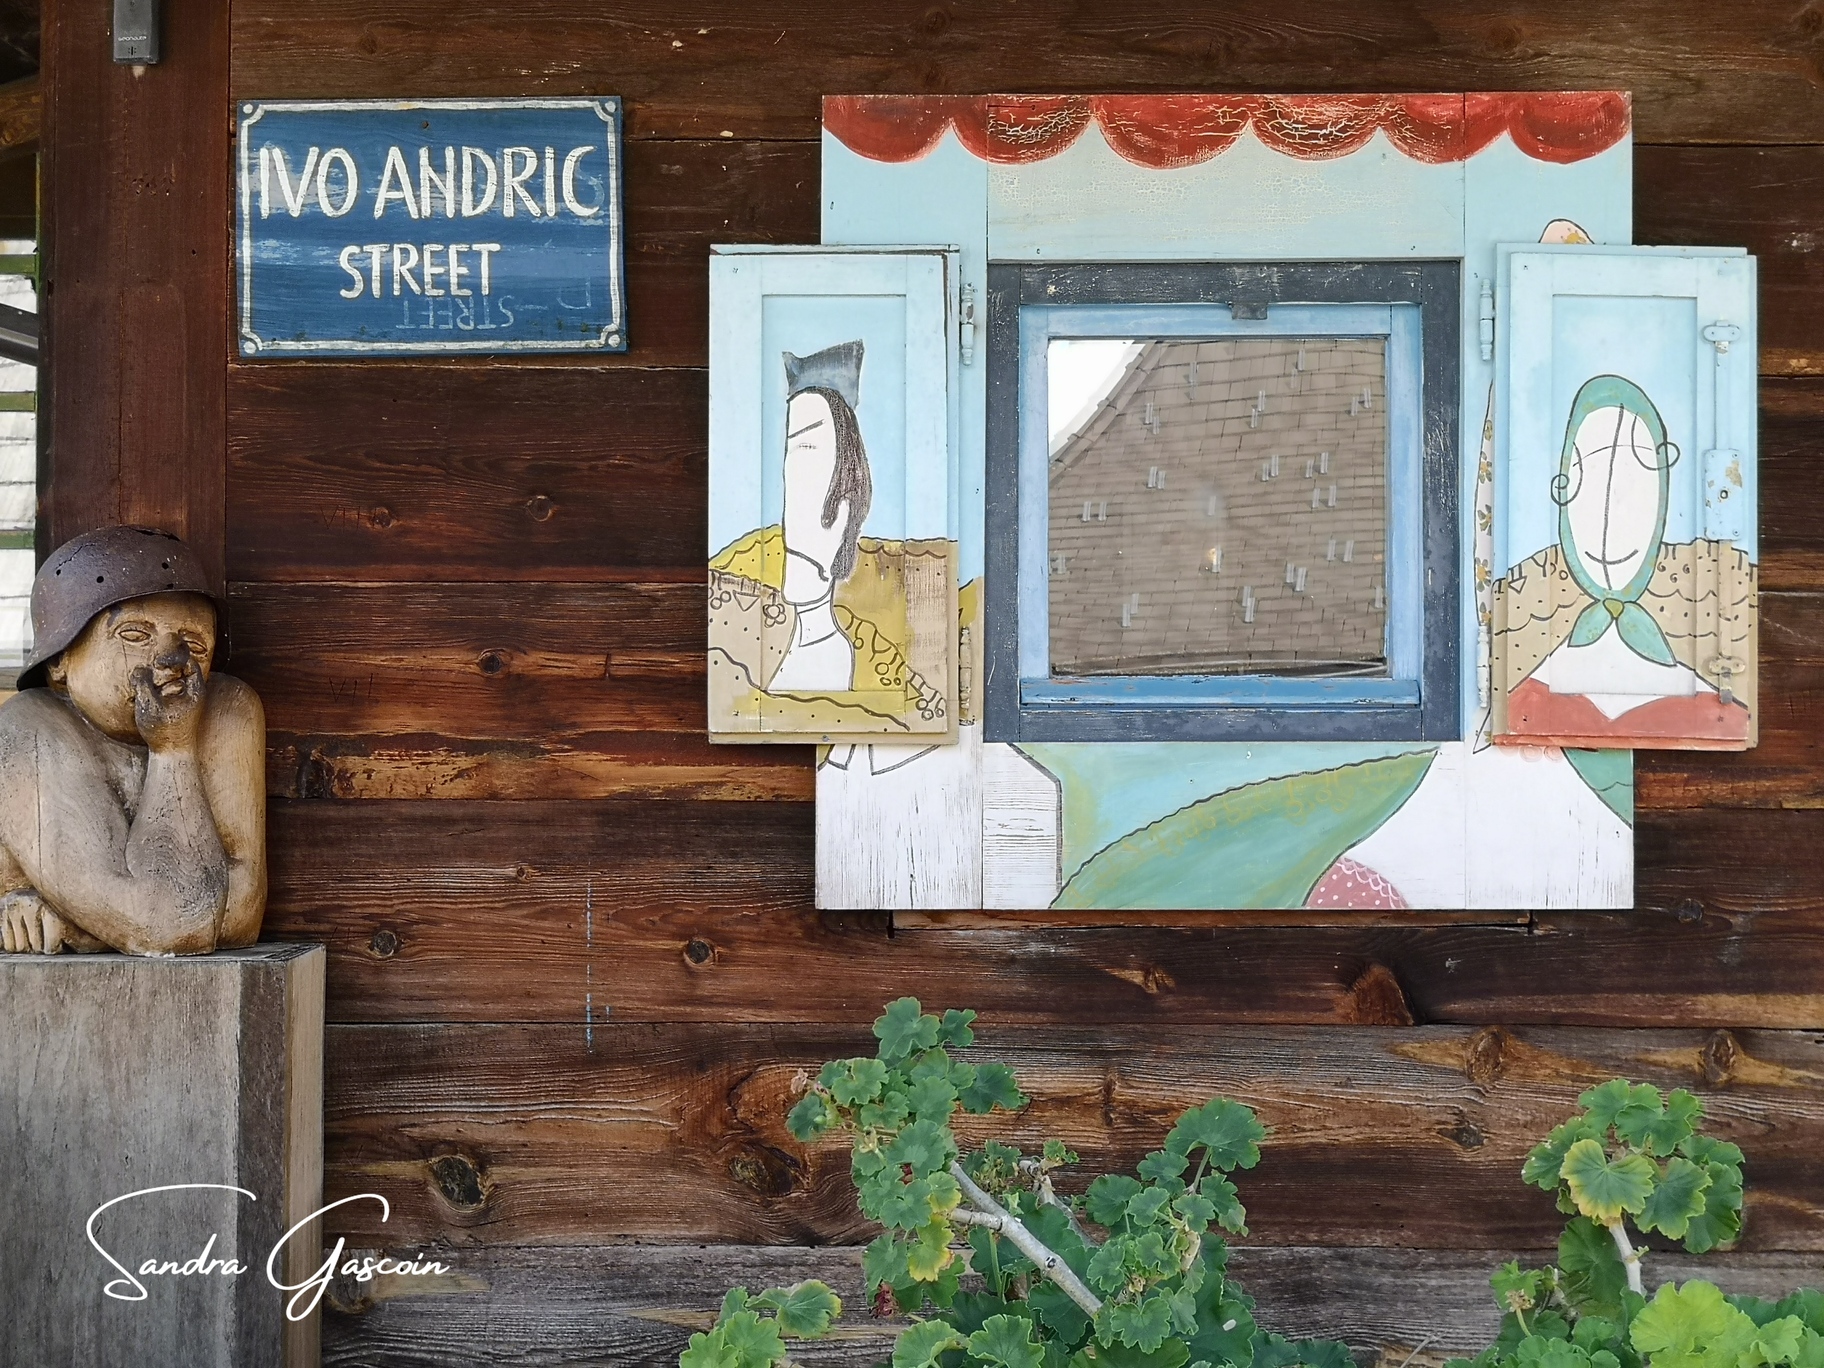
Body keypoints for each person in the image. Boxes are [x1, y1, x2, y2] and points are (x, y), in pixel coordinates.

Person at [0, 527, 265, 955]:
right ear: (60, 660)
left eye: (194, 643)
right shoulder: (29, 728)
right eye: (135, 636)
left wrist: (172, 748)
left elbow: (237, 915)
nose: (173, 661)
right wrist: (173, 748)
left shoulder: (225, 708)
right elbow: (174, 922)